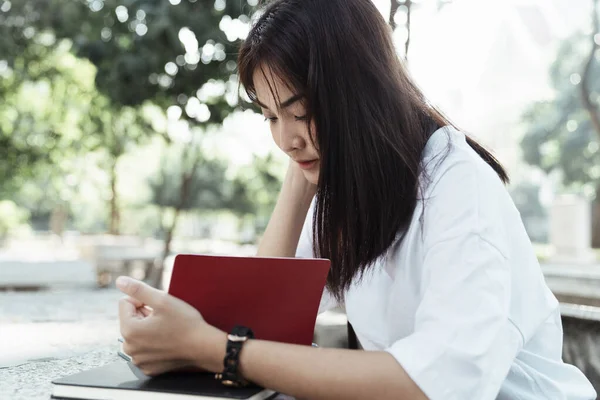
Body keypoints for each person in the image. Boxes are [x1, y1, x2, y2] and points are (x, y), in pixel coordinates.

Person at [116, 0, 596, 399]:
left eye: (299, 110)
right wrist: (299, 176)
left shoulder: (456, 186)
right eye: (268, 117)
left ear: (358, 91)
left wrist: (216, 351)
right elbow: (264, 316)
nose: (284, 137)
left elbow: (438, 384)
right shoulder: (351, 186)